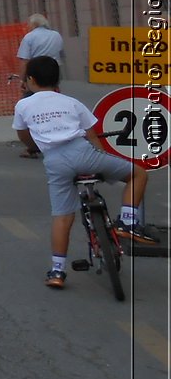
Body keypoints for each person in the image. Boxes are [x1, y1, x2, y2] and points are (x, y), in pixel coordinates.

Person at [13, 56, 161, 289]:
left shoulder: (23, 105)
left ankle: (57, 271)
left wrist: (32, 146)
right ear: (58, 80)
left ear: (30, 79)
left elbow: (23, 136)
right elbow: (92, 136)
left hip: (56, 162)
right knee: (138, 174)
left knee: (62, 216)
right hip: (85, 154)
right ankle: (128, 222)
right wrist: (102, 161)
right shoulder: (71, 102)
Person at [16, 14, 66, 78]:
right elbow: (61, 54)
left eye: (28, 24)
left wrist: (22, 78)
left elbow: (24, 61)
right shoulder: (56, 35)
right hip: (54, 69)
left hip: (37, 71)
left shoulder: (29, 37)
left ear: (33, 24)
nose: (27, 26)